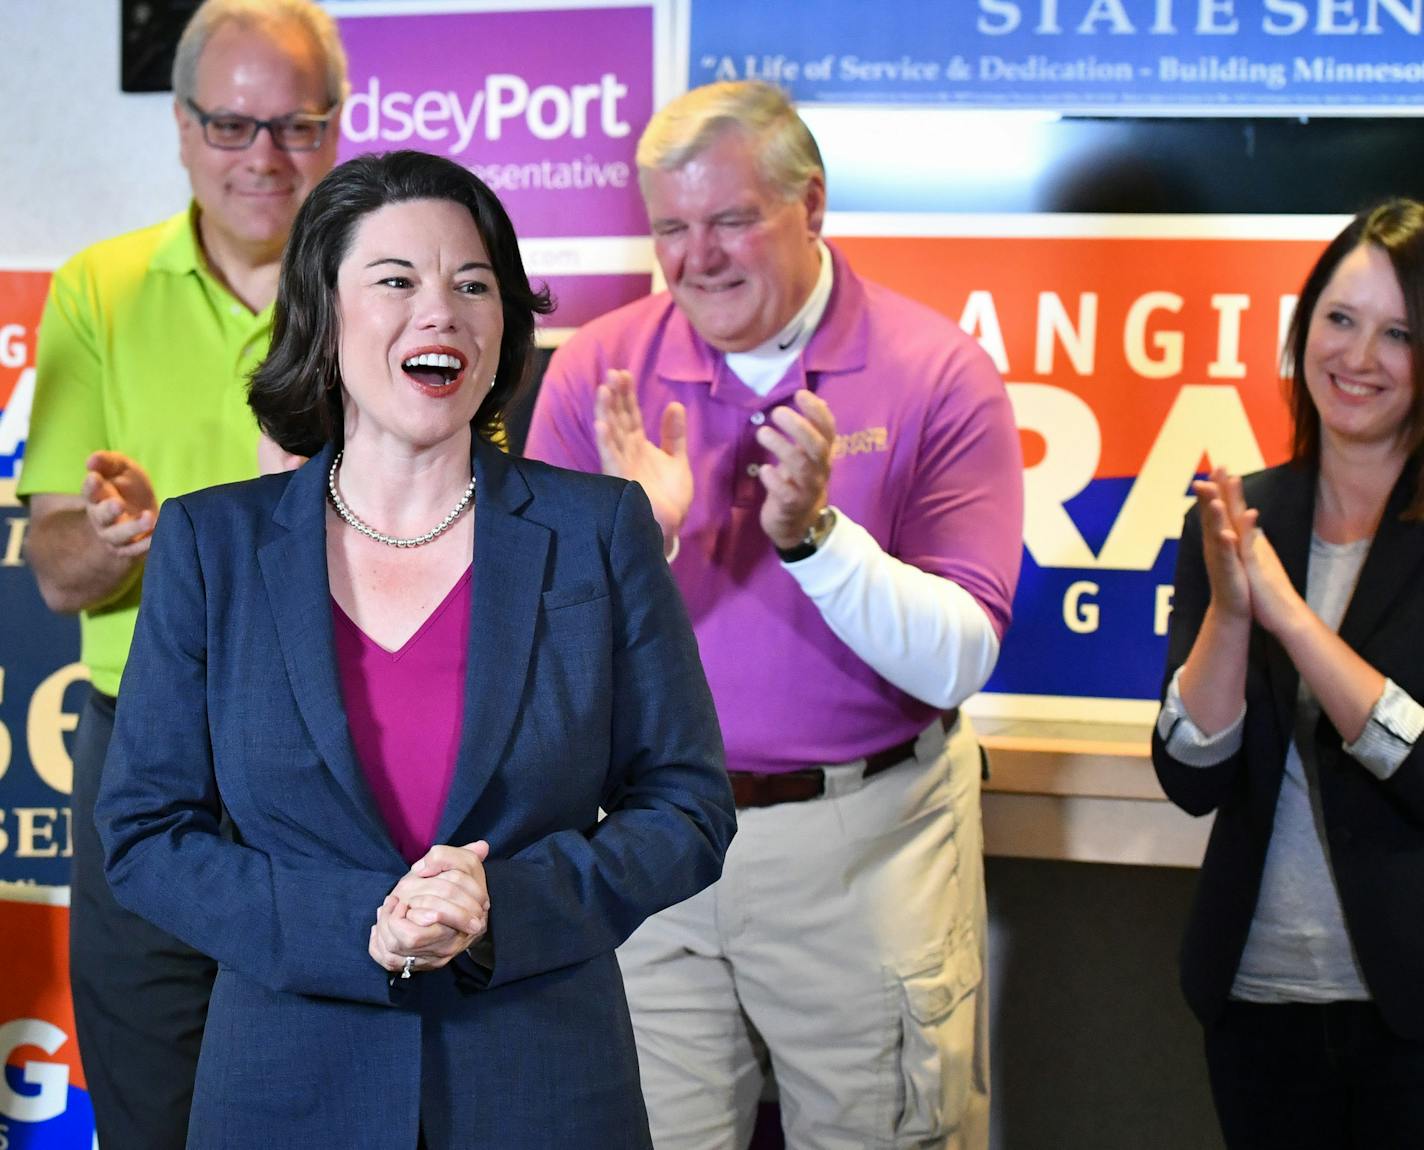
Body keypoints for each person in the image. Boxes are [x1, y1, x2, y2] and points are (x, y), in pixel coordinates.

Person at [93, 149, 736, 1149]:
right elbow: (144, 832)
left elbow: (686, 808)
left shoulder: (597, 531)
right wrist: (359, 926)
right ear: (324, 311)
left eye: (471, 284)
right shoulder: (212, 545)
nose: (440, 311)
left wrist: (505, 906)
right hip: (285, 1092)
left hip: (544, 1086)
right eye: (395, 280)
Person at [526, 81, 1022, 1150]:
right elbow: (538, 653)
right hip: (645, 842)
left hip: (861, 847)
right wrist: (644, 535)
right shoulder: (594, 371)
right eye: (669, 226)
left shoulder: (938, 371)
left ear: (812, 204)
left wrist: (815, 538)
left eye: (729, 219)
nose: (695, 255)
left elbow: (959, 658)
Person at [16, 2, 345, 1144]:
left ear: (339, 126)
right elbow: (57, 575)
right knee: (151, 1102)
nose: (263, 156)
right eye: (231, 124)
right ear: (181, 125)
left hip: (342, 756)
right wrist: (109, 541)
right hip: (147, 754)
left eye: (296, 126)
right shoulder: (97, 288)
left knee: (336, 1098)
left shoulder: (397, 285)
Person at [1153, 199, 1424, 1149]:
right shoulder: (1239, 520)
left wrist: (1291, 617)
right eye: (1339, 320)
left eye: (1399, 333)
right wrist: (1232, 612)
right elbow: (1191, 776)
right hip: (1254, 995)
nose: (1358, 357)